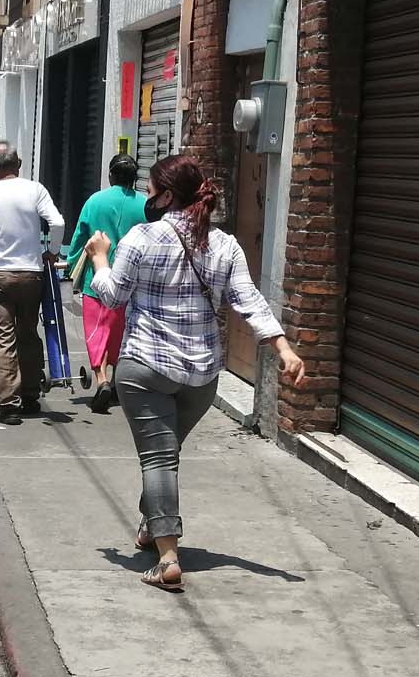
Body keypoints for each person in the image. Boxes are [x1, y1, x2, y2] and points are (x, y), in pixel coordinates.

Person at [84, 153, 306, 591]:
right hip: (202, 376)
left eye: (151, 190)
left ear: (167, 195)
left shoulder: (140, 239)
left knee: (159, 458)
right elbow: (248, 301)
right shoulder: (224, 244)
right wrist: (283, 347)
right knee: (165, 454)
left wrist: (99, 259)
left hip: (144, 368)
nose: (147, 197)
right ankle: (152, 526)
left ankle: (168, 557)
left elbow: (110, 297)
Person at [0, 142, 65, 426]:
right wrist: (53, 251)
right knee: (28, 333)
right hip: (32, 273)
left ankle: (9, 404)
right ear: (18, 164)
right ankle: (30, 396)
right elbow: (57, 222)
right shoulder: (35, 189)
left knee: (2, 338)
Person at [66, 153, 150, 413]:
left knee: (97, 330)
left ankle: (101, 378)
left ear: (111, 175)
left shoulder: (95, 201)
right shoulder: (145, 205)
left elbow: (80, 236)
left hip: (96, 280)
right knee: (121, 332)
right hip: (130, 282)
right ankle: (115, 381)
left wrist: (70, 264)